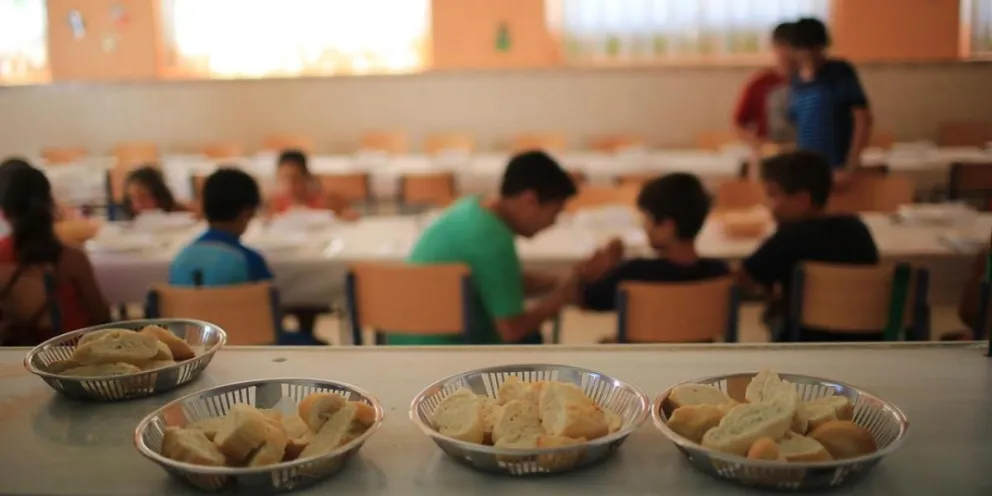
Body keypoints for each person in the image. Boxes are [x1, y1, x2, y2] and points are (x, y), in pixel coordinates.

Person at [388, 151, 608, 345]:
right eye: (555, 212)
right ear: (530, 200)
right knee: (532, 339)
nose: (553, 222)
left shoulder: (472, 209)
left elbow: (501, 280)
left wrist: (560, 281)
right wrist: (561, 298)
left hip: (405, 340)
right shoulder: (493, 240)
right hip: (448, 349)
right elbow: (512, 330)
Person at [739, 151, 879, 342]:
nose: (769, 205)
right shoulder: (858, 229)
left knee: (771, 316)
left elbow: (744, 282)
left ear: (802, 200)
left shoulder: (787, 238)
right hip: (865, 342)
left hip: (804, 342)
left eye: (773, 195)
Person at [580, 173, 730, 312]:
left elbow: (589, 299)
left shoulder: (635, 274)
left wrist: (607, 267)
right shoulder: (719, 274)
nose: (645, 228)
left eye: (647, 220)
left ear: (667, 226)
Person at [0, 159, 110, 345]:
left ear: (3, 211)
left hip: (13, 355)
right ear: (50, 204)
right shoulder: (72, 259)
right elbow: (102, 317)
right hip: (70, 354)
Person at [788, 18, 872, 182]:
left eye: (814, 49)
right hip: (806, 166)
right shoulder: (796, 80)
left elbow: (862, 119)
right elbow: (797, 125)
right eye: (803, 50)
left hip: (838, 165)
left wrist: (851, 164)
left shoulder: (840, 73)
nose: (809, 55)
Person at [170, 168, 271, 286]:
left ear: (204, 209)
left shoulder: (181, 259)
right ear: (247, 213)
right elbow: (267, 296)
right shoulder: (249, 261)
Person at [734, 22, 797, 157]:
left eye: (792, 47)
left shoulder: (809, 84)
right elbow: (740, 123)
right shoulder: (759, 83)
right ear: (774, 47)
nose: (787, 52)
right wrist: (757, 144)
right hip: (770, 153)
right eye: (782, 46)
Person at [269, 150, 359, 221]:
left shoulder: (330, 201)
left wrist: (347, 217)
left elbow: (352, 219)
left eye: (295, 178)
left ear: (306, 177)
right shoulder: (275, 204)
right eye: (284, 178)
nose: (289, 184)